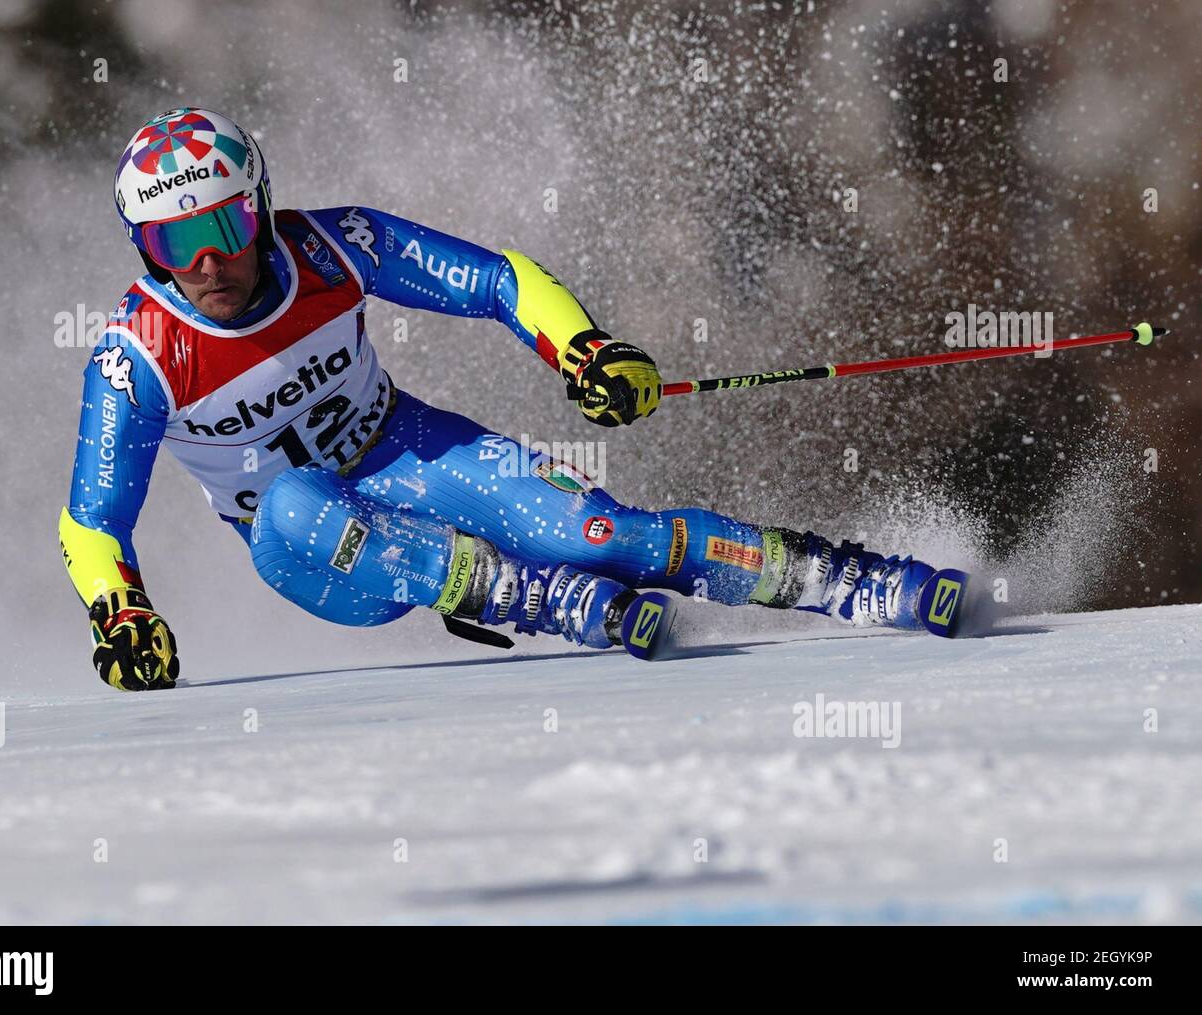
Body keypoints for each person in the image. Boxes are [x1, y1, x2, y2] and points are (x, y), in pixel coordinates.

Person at [61, 107, 966, 691]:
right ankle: (531, 597)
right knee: (294, 500)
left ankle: (842, 580)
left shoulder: (333, 248)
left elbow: (497, 280)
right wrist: (123, 612)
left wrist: (584, 349)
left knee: (609, 538)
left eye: (222, 226)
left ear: (258, 209)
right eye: (173, 243)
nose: (207, 261)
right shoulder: (137, 357)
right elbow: (92, 522)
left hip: (406, 451)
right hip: (319, 557)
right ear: (145, 250)